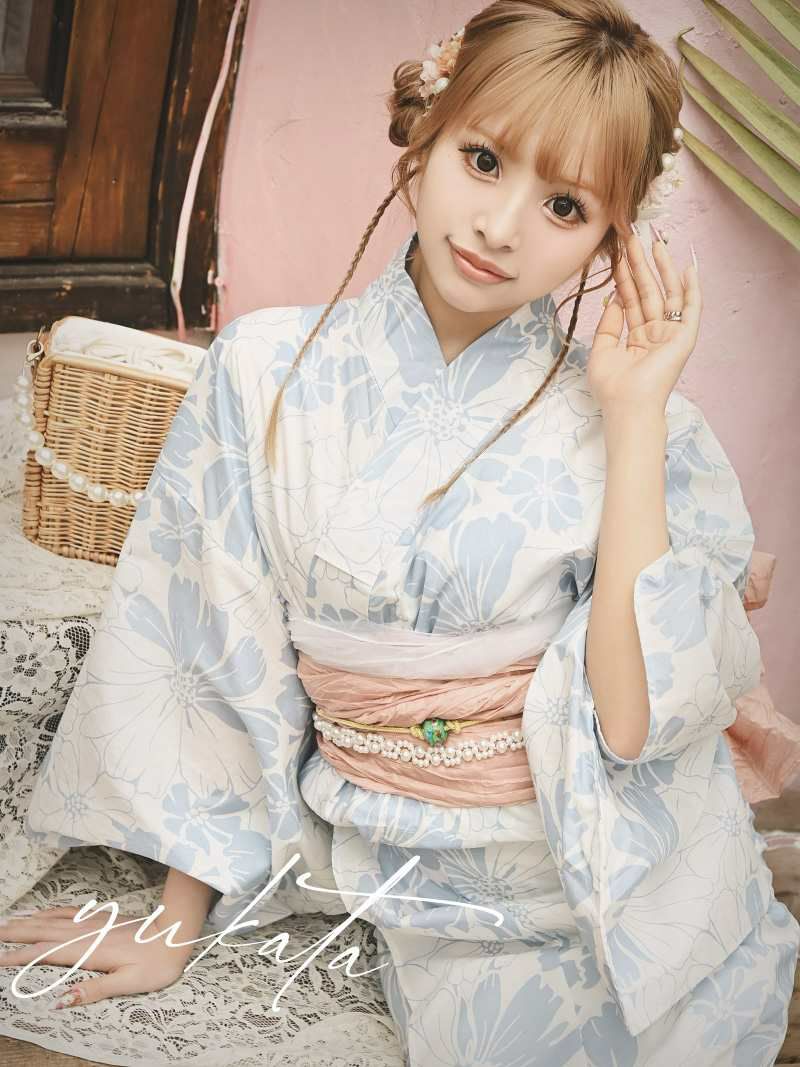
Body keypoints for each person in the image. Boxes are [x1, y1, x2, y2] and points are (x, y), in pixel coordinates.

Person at [4, 1, 800, 1063]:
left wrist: (633, 413)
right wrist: (174, 915)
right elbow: (210, 646)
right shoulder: (260, 369)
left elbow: (628, 722)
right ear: (424, 135)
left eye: (565, 204)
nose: (501, 225)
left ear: (612, 237)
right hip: (399, 861)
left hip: (600, 867)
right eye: (483, 159)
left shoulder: (647, 425)